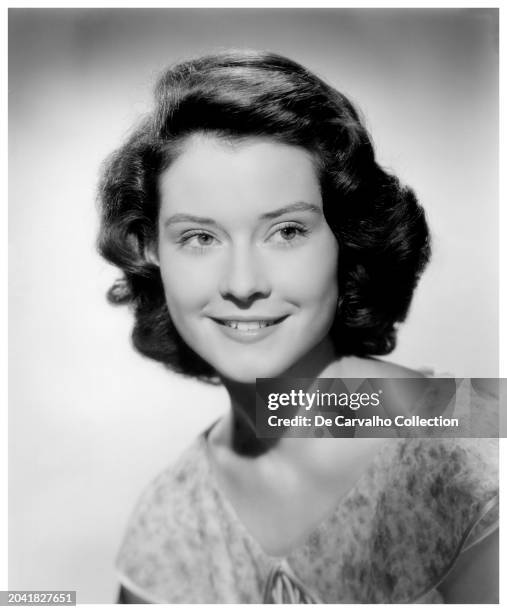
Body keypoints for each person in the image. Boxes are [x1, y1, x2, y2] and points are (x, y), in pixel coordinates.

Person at [97, 50, 499, 604]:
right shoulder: (169, 521)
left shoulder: (472, 441)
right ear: (152, 253)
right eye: (200, 237)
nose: (243, 283)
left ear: (346, 238)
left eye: (286, 231)